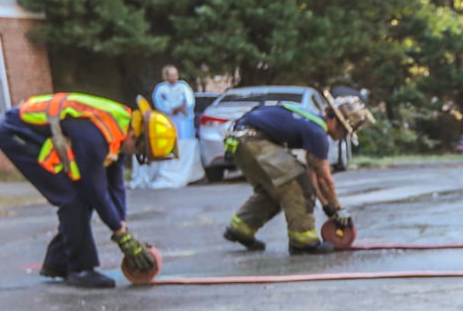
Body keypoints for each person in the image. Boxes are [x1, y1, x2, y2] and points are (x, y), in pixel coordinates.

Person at [0, 92, 172, 289]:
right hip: (17, 135)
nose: (137, 154)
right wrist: (120, 234)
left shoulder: (120, 128)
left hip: (35, 133)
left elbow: (115, 184)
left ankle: (58, 261)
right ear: (134, 136)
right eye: (139, 150)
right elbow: (96, 190)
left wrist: (122, 224)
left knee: (78, 197)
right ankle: (81, 270)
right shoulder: (96, 137)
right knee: (73, 199)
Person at [220, 95, 372, 254]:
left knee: (277, 188)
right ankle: (303, 242)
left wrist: (328, 207)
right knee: (296, 185)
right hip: (254, 141)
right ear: (336, 121)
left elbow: (313, 172)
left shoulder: (310, 121)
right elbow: (324, 178)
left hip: (239, 142)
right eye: (345, 132)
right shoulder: (317, 132)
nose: (343, 136)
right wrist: (338, 210)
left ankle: (242, 229)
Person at [142, 65, 203, 188]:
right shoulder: (160, 89)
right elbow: (159, 104)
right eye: (171, 75)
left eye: (175, 75)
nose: (174, 77)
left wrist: (182, 108)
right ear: (165, 76)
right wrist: (172, 109)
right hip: (168, 122)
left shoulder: (183, 87)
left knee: (185, 144)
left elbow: (189, 102)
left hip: (184, 122)